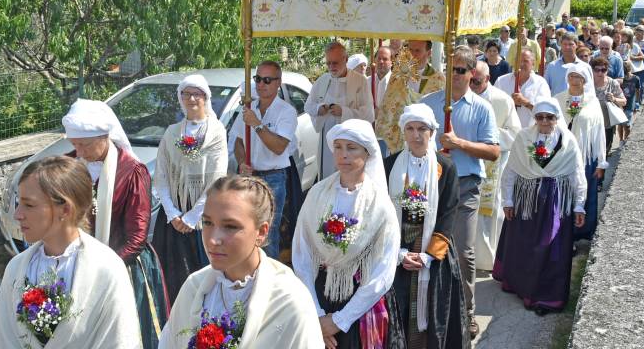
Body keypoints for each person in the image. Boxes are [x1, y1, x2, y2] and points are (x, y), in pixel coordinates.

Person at [0, 156, 141, 348]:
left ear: (65, 209)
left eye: (29, 205)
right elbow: (0, 339)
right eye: (19, 203)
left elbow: (119, 341)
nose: (17, 214)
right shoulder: (16, 268)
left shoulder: (107, 269)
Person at [158, 176, 324, 348]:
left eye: (230, 226)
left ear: (261, 232)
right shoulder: (193, 288)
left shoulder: (289, 302)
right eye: (207, 222)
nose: (213, 240)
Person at [62, 100, 169, 348]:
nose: (78, 152)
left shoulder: (132, 172)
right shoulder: (68, 165)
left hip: (124, 264)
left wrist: (101, 269)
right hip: (76, 261)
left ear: (105, 137)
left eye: (84, 145)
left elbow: (137, 237)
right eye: (74, 144)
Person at [292, 119, 404, 349]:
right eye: (338, 147)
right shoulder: (317, 193)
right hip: (320, 298)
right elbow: (302, 254)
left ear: (368, 153)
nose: (343, 155)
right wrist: (317, 315)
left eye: (351, 148)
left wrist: (339, 321)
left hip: (360, 306)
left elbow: (382, 271)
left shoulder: (380, 204)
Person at [420, 45, 500, 339]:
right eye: (450, 69)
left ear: (471, 73)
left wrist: (460, 144)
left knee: (463, 251)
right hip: (433, 184)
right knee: (427, 247)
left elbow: (493, 151)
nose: (454, 75)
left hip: (465, 186)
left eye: (461, 70)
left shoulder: (482, 108)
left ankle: (467, 313)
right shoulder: (428, 104)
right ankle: (429, 309)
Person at [492, 99, 587, 315]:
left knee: (550, 247)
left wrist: (579, 205)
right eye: (540, 117)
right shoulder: (524, 138)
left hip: (554, 201)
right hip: (527, 198)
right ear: (535, 118)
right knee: (523, 246)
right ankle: (521, 287)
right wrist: (508, 200)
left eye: (550, 117)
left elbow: (576, 174)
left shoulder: (568, 141)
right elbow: (512, 170)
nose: (544, 121)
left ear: (557, 118)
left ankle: (547, 297)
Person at [385, 104, 468, 348]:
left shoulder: (447, 167)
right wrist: (399, 253)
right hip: (399, 250)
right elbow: (384, 214)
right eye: (410, 128)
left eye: (422, 128)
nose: (416, 134)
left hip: (433, 249)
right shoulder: (390, 166)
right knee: (399, 309)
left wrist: (428, 256)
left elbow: (448, 212)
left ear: (432, 132)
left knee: (435, 311)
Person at [153, 74, 229, 303]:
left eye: (197, 94)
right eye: (187, 94)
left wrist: (193, 217)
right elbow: (162, 175)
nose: (192, 98)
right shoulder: (172, 132)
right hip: (173, 217)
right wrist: (173, 213)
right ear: (181, 98)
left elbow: (216, 178)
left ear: (206, 98)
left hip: (201, 215)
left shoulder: (216, 132)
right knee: (171, 276)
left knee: (202, 275)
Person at [232, 61, 298, 260]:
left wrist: (257, 124)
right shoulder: (249, 107)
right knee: (245, 226)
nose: (261, 84)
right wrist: (242, 161)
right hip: (250, 176)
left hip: (273, 178)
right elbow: (237, 141)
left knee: (267, 231)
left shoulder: (286, 111)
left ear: (278, 82)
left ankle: (268, 277)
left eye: (267, 80)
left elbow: (278, 147)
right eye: (258, 79)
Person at [470, 61, 522, 271]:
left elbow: (515, 134)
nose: (472, 85)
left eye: (477, 81)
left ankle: (490, 259)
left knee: (492, 211)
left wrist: (489, 135)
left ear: (487, 79)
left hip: (494, 164)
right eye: (470, 80)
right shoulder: (460, 97)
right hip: (469, 161)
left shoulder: (501, 100)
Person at [305, 41, 375, 180]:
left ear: (346, 59)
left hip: (352, 142)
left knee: (348, 178)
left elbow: (369, 113)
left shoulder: (360, 81)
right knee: (328, 178)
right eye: (328, 63)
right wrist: (320, 109)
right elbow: (308, 106)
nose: (331, 67)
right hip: (327, 142)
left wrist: (344, 112)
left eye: (335, 63)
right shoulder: (322, 81)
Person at [552, 65, 607, 240]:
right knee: (564, 195)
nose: (574, 80)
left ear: (584, 80)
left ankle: (583, 232)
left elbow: (599, 132)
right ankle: (563, 234)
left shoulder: (592, 101)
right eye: (571, 76)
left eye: (578, 77)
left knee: (585, 192)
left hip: (586, 155)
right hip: (563, 156)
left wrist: (601, 161)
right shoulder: (557, 99)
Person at [495, 49, 552, 128]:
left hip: (530, 134)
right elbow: (493, 106)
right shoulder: (501, 81)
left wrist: (526, 103)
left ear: (533, 64)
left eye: (525, 61)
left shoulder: (540, 83)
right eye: (518, 60)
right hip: (506, 134)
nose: (521, 64)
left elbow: (546, 110)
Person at [592, 57, 627, 157]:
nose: (600, 73)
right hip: (591, 126)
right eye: (597, 70)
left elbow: (624, 101)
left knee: (603, 155)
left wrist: (614, 99)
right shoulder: (587, 83)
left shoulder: (612, 83)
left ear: (607, 71)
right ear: (592, 70)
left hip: (607, 126)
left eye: (603, 70)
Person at [618, 62, 640, 142]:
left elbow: (638, 91)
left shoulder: (636, 78)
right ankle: (621, 140)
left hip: (630, 104)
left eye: (627, 73)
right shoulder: (620, 79)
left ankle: (625, 140)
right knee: (620, 123)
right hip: (620, 104)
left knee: (627, 125)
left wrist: (637, 103)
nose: (626, 76)